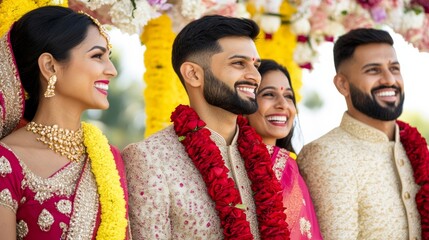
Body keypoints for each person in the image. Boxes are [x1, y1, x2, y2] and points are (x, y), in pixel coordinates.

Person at [122, 15, 290, 239]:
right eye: (239, 63)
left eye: (255, 65)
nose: (255, 76)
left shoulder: (264, 158)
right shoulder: (150, 158)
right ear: (193, 74)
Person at [0, 6, 130, 239]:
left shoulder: (108, 158)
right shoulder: (6, 161)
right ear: (50, 66)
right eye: (97, 56)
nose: (111, 70)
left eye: (108, 58)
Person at [297, 28, 428, 240]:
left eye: (394, 68)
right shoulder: (328, 155)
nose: (389, 80)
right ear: (342, 84)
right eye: (373, 70)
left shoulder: (416, 150)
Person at [247, 59, 322, 239]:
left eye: (288, 96)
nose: (283, 104)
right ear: (244, 103)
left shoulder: (291, 166)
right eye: (269, 94)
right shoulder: (226, 165)